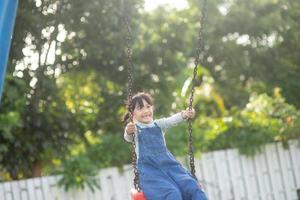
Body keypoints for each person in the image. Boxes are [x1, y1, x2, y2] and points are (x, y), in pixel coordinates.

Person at [123, 92, 208, 200]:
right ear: (132, 114)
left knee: (192, 187)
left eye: (148, 107)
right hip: (151, 171)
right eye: (140, 108)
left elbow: (172, 120)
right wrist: (128, 130)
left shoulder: (159, 124)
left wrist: (185, 114)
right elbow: (128, 137)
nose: (146, 111)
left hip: (170, 166)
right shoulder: (134, 128)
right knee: (172, 194)